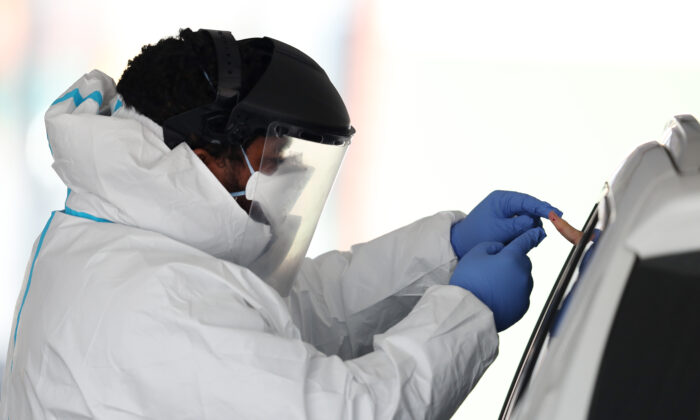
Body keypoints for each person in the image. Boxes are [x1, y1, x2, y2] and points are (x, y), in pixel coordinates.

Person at [0, 29, 561, 419]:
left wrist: (446, 251)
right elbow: (350, 411)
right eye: (268, 167)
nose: (277, 198)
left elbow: (292, 314)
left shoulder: (131, 239)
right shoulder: (159, 301)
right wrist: (467, 313)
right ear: (204, 155)